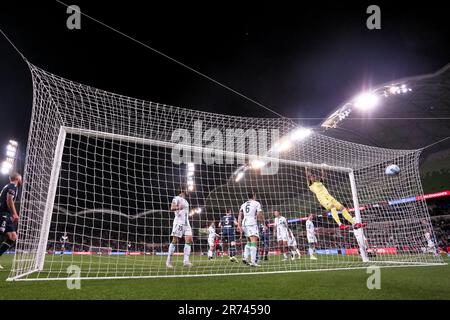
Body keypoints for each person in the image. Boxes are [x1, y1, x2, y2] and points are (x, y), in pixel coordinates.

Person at [0, 172, 22, 269]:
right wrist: (15, 214)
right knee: (3, 235)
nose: (22, 180)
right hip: (3, 214)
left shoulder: (8, 186)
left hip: (6, 214)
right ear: (17, 178)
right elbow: (9, 200)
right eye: (21, 178)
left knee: (12, 236)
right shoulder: (12, 186)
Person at [166, 189, 193, 268]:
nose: (188, 190)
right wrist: (178, 207)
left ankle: (186, 262)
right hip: (179, 222)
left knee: (189, 239)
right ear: (183, 190)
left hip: (186, 223)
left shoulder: (186, 201)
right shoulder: (176, 198)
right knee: (175, 240)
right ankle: (168, 261)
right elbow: (172, 208)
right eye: (187, 189)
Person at [238, 193, 265, 267]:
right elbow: (259, 215)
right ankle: (253, 262)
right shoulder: (256, 203)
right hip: (251, 223)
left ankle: (245, 258)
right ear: (254, 196)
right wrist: (263, 223)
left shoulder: (243, 204)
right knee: (254, 242)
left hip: (244, 223)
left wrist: (239, 225)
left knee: (249, 241)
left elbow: (240, 215)